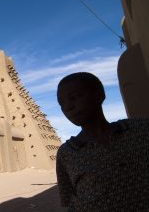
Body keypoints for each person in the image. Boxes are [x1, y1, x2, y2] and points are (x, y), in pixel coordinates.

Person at [56, 72, 149, 211]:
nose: (68, 107)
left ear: (99, 95)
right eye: (62, 104)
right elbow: (71, 201)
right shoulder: (67, 153)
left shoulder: (140, 130)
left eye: (74, 97)